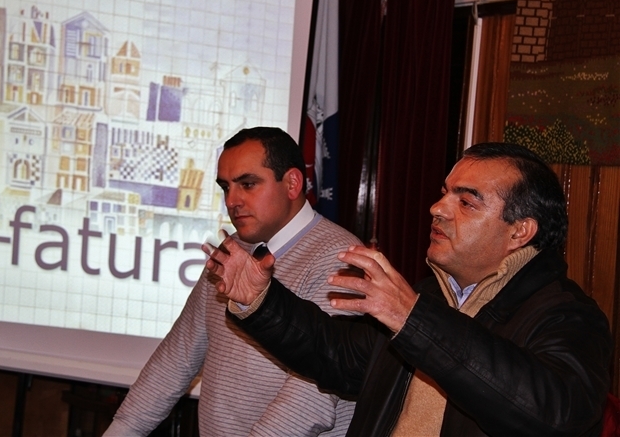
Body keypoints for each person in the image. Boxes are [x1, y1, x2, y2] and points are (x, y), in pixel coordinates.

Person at [206, 142, 612, 437]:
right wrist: (262, 301)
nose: (437, 208)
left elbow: (554, 415)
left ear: (520, 232)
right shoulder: (432, 295)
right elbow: (339, 355)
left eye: (466, 202)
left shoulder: (568, 315)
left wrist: (414, 321)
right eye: (444, 193)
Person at [104, 127, 362, 436]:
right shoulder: (233, 251)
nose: (232, 200)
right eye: (226, 187)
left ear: (292, 183)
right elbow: (176, 359)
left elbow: (310, 400)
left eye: (248, 184)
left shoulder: (342, 258)